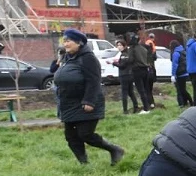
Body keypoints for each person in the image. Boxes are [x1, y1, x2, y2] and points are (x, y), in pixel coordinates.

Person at [55, 28, 125, 166]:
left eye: (68, 41)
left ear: (79, 43)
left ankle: (115, 150)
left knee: (85, 134)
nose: (66, 44)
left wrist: (89, 101)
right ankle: (84, 163)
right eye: (64, 41)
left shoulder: (88, 58)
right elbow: (55, 71)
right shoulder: (68, 57)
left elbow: (94, 81)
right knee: (71, 136)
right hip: (69, 103)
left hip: (86, 102)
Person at [127, 33, 156, 113]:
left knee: (141, 90)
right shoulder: (144, 48)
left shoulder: (132, 49)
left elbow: (131, 60)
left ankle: (146, 108)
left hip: (137, 70)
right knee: (146, 89)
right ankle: (149, 105)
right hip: (145, 70)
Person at [112, 39, 140, 114]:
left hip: (124, 75)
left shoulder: (124, 55)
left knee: (124, 93)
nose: (119, 47)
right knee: (131, 92)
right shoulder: (128, 54)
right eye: (118, 45)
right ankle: (136, 107)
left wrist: (114, 63)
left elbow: (122, 66)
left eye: (120, 45)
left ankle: (125, 110)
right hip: (130, 75)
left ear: (124, 46)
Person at [170, 41, 191, 107]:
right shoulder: (183, 51)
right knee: (183, 89)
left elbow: (175, 65)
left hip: (179, 73)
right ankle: (186, 102)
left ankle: (182, 103)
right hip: (185, 72)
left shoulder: (176, 53)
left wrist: (173, 75)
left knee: (179, 90)